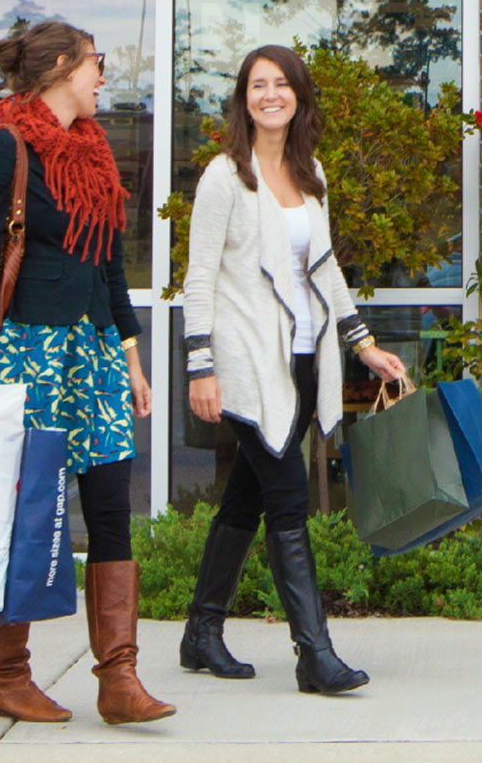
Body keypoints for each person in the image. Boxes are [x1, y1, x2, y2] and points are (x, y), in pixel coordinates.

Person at [0, 19, 172, 726]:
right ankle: (6, 675)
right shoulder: (3, 150)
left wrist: (131, 357)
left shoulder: (94, 154)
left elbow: (107, 263)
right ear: (61, 71)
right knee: (25, 510)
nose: (103, 76)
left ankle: (119, 679)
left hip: (92, 351)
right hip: (27, 351)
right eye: (95, 64)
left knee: (109, 500)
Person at [176, 44, 410, 695]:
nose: (270, 94)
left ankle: (202, 631)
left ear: (299, 97)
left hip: (308, 361)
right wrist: (201, 367)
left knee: (248, 496)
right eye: (257, 84)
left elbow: (325, 266)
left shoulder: (312, 175)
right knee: (287, 501)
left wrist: (362, 343)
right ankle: (314, 653)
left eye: (281, 84)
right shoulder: (225, 175)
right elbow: (199, 277)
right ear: (243, 98)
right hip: (248, 361)